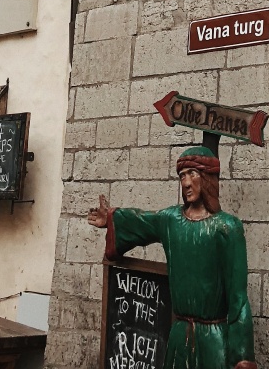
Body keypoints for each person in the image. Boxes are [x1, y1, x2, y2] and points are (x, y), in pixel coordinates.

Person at [88, 145, 257, 369]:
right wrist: (111, 218)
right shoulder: (171, 220)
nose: (186, 183)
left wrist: (242, 356)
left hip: (214, 340)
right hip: (179, 338)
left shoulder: (227, 228)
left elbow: (238, 299)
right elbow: (141, 221)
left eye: (192, 174)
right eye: (182, 176)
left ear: (207, 177)